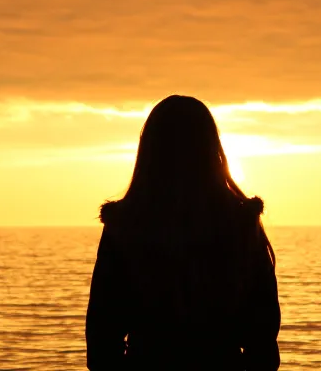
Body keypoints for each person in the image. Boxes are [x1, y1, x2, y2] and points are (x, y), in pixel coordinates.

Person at [86, 95, 280, 371]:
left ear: (149, 150)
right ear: (212, 149)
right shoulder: (240, 225)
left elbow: (102, 340)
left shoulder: (126, 226)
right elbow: (262, 343)